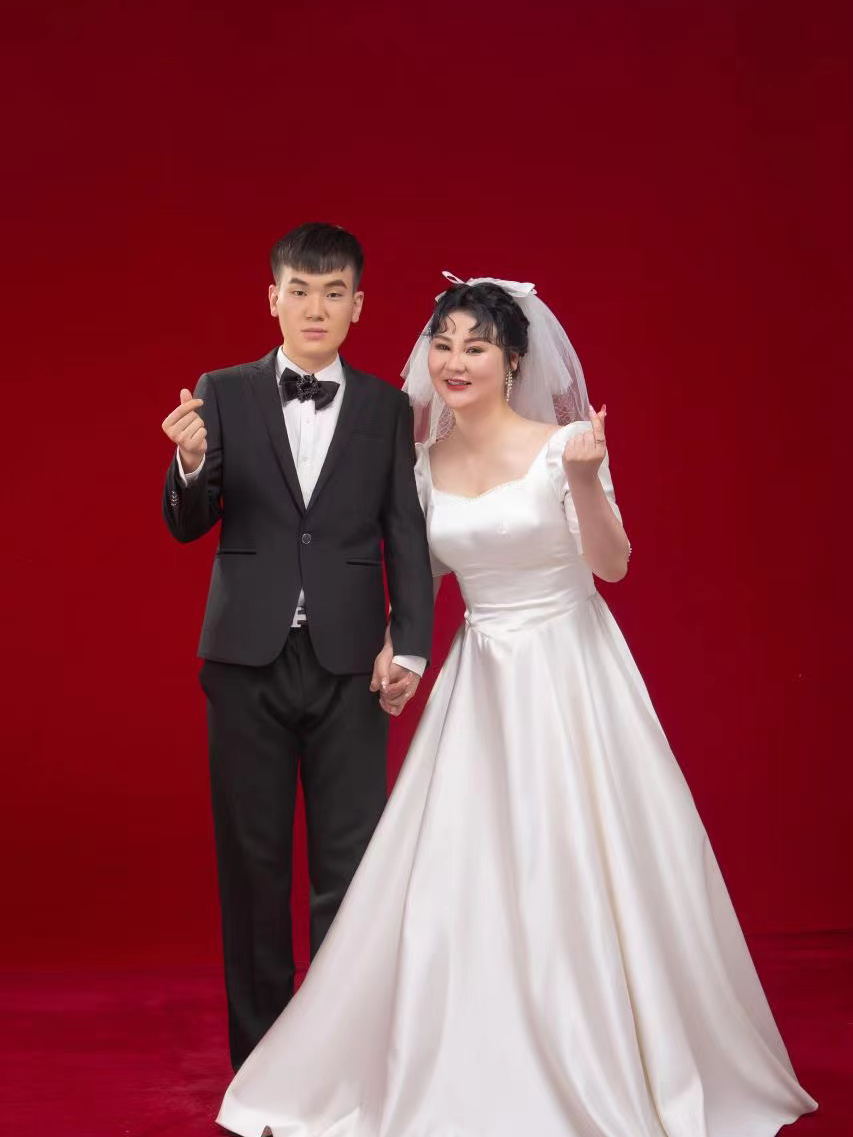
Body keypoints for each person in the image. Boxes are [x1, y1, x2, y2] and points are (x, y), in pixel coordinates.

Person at [215, 274, 817, 1135]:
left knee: (581, 861)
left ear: (514, 361)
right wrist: (397, 648)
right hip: (480, 679)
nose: (454, 362)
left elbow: (611, 565)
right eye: (443, 345)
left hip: (572, 673)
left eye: (476, 346)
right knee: (462, 874)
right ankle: (467, 1057)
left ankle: (598, 1054)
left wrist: (584, 479)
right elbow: (425, 576)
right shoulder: (422, 463)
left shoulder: (562, 444)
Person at [160, 223, 434, 1072]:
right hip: (244, 664)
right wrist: (191, 462)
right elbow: (188, 523)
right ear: (273, 298)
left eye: (333, 292)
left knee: (349, 872)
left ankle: (336, 1070)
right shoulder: (223, 392)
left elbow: (405, 532)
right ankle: (262, 1071)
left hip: (351, 667)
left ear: (358, 305)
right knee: (253, 870)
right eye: (300, 290)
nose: (316, 308)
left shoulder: (387, 408)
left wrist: (410, 646)